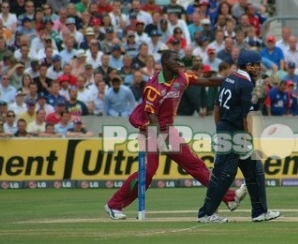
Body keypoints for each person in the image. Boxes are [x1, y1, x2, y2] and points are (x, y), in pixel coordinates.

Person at [105, 50, 247, 220]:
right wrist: (162, 140)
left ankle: (230, 198)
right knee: (148, 173)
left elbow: (208, 80)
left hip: (168, 130)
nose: (179, 63)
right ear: (164, 62)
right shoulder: (153, 86)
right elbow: (151, 117)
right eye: (175, 60)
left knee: (196, 165)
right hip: (150, 130)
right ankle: (114, 205)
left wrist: (234, 81)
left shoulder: (182, 77)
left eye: (180, 60)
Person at [197, 50, 280, 223]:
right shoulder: (246, 84)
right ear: (246, 65)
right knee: (225, 173)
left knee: (254, 170)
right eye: (254, 64)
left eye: (258, 64)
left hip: (228, 130)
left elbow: (217, 108)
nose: (257, 67)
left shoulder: (229, 78)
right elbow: (246, 118)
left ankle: (259, 212)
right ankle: (207, 213)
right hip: (236, 133)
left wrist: (220, 129)